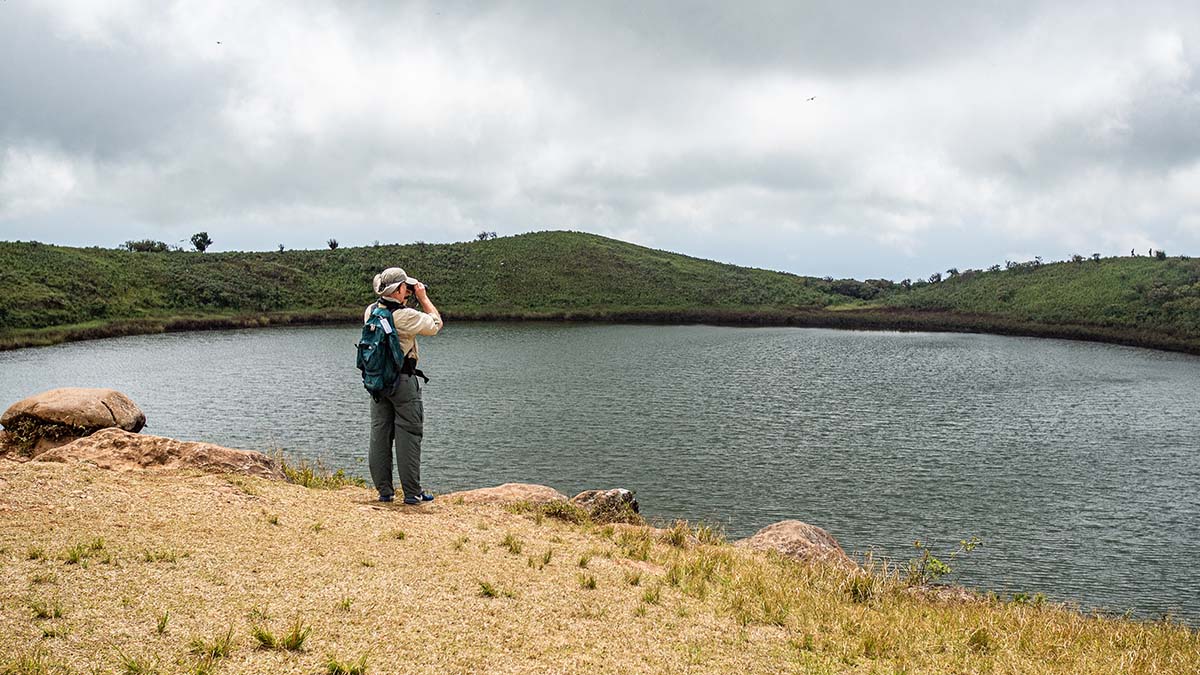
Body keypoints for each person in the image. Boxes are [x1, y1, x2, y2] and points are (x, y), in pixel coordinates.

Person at [365, 267, 443, 504]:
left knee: (380, 434)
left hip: (377, 383)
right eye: (405, 287)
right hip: (402, 382)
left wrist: (407, 297)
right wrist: (423, 297)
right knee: (409, 434)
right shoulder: (405, 316)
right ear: (398, 289)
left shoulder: (371, 311)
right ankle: (412, 493)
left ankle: (384, 492)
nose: (408, 290)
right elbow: (436, 324)